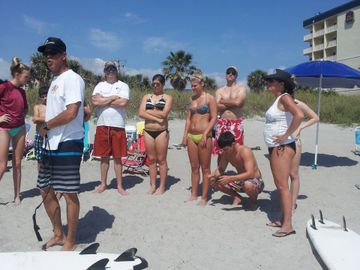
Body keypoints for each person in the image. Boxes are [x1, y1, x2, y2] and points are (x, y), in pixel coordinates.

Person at [36, 37, 85, 250]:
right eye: (46, 54)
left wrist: (46, 125)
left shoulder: (72, 78)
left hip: (68, 142)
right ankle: (58, 233)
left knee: (69, 192)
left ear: (64, 55)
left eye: (53, 53)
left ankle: (71, 241)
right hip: (50, 143)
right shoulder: (55, 81)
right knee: (45, 190)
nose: (49, 58)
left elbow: (72, 113)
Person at [263, 69, 304, 237]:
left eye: (273, 81)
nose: (269, 83)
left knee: (282, 186)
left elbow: (299, 115)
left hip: (282, 147)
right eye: (269, 81)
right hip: (277, 147)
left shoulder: (285, 97)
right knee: (281, 186)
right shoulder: (279, 99)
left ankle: (287, 225)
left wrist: (286, 135)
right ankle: (283, 220)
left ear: (282, 84)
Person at [92, 61, 130, 195]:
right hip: (102, 124)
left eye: (112, 68)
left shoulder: (123, 85)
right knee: (104, 157)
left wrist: (104, 100)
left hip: (118, 125)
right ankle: (103, 183)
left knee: (118, 157)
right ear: (104, 71)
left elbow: (124, 102)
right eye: (107, 69)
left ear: (116, 70)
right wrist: (113, 98)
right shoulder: (100, 85)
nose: (110, 71)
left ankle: (120, 185)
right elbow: (95, 102)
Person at [182, 72, 217, 206]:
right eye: (192, 86)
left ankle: (204, 197)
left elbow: (213, 117)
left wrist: (205, 133)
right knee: (194, 167)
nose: (193, 88)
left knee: (205, 168)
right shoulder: (191, 99)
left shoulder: (209, 99)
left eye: (195, 85)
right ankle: (194, 194)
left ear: (202, 84)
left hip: (204, 135)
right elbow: (188, 119)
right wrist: (185, 135)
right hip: (192, 135)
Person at [0, 57, 30, 205]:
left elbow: (26, 108)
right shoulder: (4, 87)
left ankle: (17, 195)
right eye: (26, 77)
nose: (27, 79)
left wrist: (21, 116)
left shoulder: (22, 92)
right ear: (17, 74)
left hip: (20, 128)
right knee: (3, 164)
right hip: (4, 129)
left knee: (17, 163)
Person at [210, 131, 264, 210]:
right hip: (240, 181)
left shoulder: (245, 151)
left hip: (255, 181)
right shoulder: (226, 153)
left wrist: (230, 178)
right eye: (223, 149)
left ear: (233, 144)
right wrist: (213, 175)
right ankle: (237, 197)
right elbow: (221, 169)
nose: (224, 151)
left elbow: (250, 173)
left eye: (226, 149)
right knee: (214, 181)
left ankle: (253, 201)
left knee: (247, 184)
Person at [138, 74, 173, 195]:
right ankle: (152, 185)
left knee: (161, 160)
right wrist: (157, 117)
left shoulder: (168, 97)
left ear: (162, 85)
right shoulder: (147, 96)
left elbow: (164, 115)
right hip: (148, 131)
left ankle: (162, 186)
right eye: (153, 84)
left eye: (157, 84)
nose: (155, 86)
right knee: (151, 159)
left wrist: (150, 112)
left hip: (161, 131)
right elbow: (140, 113)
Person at [290, 98, 319, 211]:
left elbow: (315, 118)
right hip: (281, 142)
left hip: (294, 141)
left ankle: (293, 203)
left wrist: (301, 127)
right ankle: (286, 201)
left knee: (293, 174)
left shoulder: (298, 103)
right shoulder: (280, 102)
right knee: (283, 174)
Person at [214, 66, 246, 156]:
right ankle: (221, 170)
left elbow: (238, 103)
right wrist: (233, 103)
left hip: (236, 122)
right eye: (228, 72)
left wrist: (222, 101)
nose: (230, 74)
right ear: (225, 75)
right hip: (222, 123)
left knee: (238, 150)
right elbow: (217, 106)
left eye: (233, 72)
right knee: (221, 150)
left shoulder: (241, 89)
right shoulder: (219, 90)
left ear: (237, 75)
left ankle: (240, 169)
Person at [32, 86, 48, 170]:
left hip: (51, 134)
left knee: (51, 158)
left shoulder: (53, 107)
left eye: (46, 95)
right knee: (39, 158)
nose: (45, 98)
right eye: (43, 96)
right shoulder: (37, 107)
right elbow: (35, 119)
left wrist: (40, 119)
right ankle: (40, 178)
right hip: (39, 134)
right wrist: (49, 119)